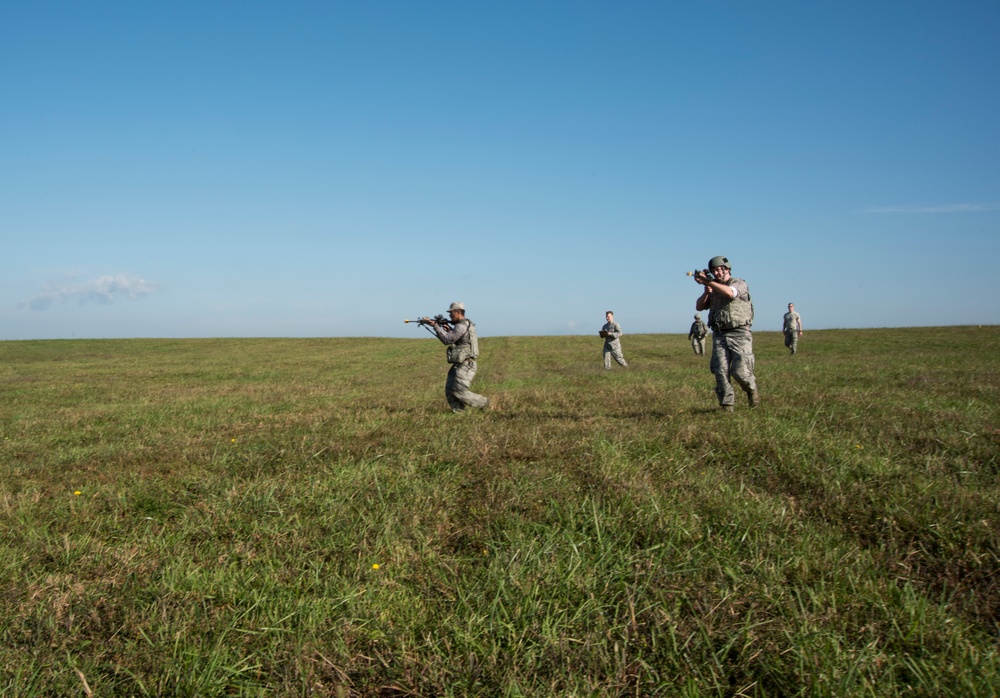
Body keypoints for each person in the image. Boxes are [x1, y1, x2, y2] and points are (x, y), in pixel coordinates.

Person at [693, 256, 759, 411]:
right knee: (720, 371)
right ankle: (727, 406)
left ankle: (751, 390)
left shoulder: (739, 283)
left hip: (740, 334)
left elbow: (730, 293)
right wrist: (706, 291)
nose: (716, 273)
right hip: (719, 335)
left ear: (727, 269)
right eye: (713, 271)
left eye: (718, 270)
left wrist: (708, 282)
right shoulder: (714, 288)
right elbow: (699, 306)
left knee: (740, 372)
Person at [422, 302, 489, 412]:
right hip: (460, 363)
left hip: (466, 364)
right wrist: (446, 329)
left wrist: (436, 326)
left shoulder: (461, 326)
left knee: (459, 390)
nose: (449, 316)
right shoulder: (463, 325)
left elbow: (448, 340)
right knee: (450, 390)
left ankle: (483, 403)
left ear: (458, 312)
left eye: (451, 313)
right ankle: (460, 413)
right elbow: (457, 339)